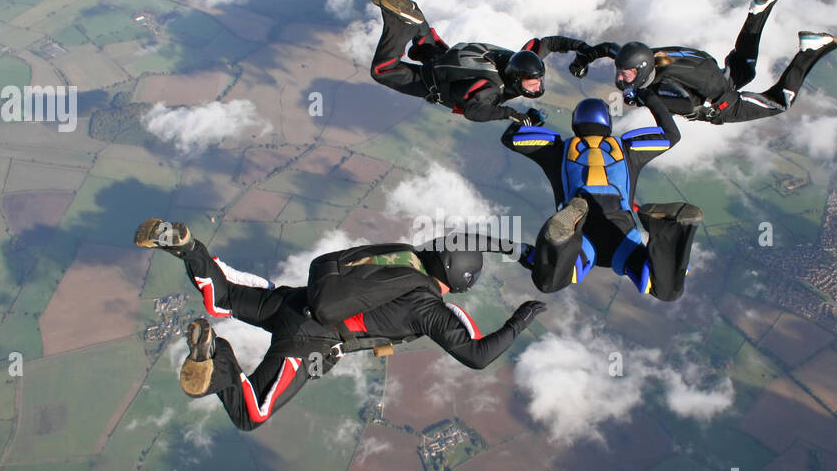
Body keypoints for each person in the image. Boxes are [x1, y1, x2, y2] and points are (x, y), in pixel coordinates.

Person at [134, 218, 546, 432]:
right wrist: (521, 318)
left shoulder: (404, 257)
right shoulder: (429, 307)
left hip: (295, 301)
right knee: (251, 414)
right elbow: (477, 355)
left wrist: (514, 248)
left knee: (224, 296)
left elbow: (463, 240)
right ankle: (218, 356)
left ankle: (188, 248)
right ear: (458, 283)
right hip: (310, 341)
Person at [501, 94, 702, 301]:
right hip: (620, 230)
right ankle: (668, 225)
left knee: (549, 281)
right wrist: (649, 98)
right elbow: (671, 134)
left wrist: (531, 119)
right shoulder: (628, 149)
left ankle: (564, 236)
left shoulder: (557, 149)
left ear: (575, 123)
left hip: (583, 232)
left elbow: (510, 137)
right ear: (608, 122)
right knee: (666, 290)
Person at [569, 0, 837, 124]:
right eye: (620, 71)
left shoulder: (662, 83)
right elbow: (609, 48)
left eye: (626, 74)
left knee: (780, 102)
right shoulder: (641, 57)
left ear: (640, 69)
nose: (620, 77)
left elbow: (687, 107)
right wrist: (586, 58)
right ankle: (758, 11)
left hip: (723, 101)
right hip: (708, 70)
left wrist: (639, 98)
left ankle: (809, 51)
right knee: (745, 66)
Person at [368, 0, 597, 123]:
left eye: (539, 81)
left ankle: (415, 18)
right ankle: (400, 25)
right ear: (517, 79)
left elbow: (549, 43)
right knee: (382, 71)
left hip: (444, 58)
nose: (537, 87)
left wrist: (581, 47)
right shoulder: (492, 87)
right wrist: (511, 114)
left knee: (426, 44)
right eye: (533, 83)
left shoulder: (522, 60)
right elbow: (473, 111)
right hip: (430, 80)